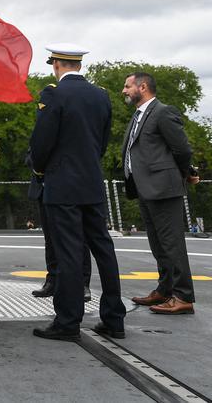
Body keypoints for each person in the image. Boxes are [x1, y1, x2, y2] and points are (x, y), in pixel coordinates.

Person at [29, 45, 126, 341]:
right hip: (91, 182)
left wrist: (40, 170)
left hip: (62, 185)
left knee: (68, 252)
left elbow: (42, 142)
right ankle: (114, 318)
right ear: (79, 65)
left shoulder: (53, 94)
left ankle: (68, 321)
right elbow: (102, 141)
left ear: (56, 64)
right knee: (104, 249)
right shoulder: (101, 95)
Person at [121, 71, 198, 315]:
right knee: (158, 244)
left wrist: (186, 173)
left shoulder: (163, 112)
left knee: (172, 244)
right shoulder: (139, 115)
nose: (124, 91)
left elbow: (181, 148)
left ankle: (183, 296)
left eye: (127, 86)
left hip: (164, 187)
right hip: (145, 188)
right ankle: (165, 289)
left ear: (142, 87)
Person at [27, 150, 93, 301]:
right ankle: (53, 280)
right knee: (50, 238)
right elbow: (32, 154)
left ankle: (82, 283)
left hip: (70, 186)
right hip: (44, 187)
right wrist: (39, 166)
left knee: (79, 238)